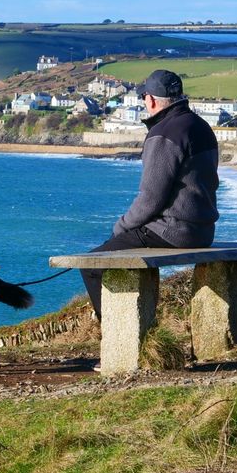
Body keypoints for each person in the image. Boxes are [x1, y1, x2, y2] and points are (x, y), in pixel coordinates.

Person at [81, 69, 219, 312]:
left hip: (174, 231)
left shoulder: (164, 133)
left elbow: (150, 199)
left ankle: (118, 335)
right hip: (203, 231)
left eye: (144, 97)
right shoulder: (201, 126)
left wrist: (120, 227)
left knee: (92, 264)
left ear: (152, 100)